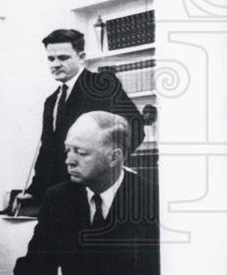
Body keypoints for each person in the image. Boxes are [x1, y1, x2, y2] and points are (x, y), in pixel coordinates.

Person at [3, 111, 160, 275]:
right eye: (67, 151)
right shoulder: (58, 198)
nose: (69, 161)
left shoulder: (152, 200)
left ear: (114, 157)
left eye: (81, 153)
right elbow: (38, 263)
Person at [15, 28, 143, 209]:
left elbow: (136, 126)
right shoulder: (51, 101)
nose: (55, 64)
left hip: (95, 189)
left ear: (81, 57)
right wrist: (34, 190)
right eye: (51, 59)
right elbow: (47, 151)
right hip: (60, 194)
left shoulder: (102, 86)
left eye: (63, 58)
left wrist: (109, 165)